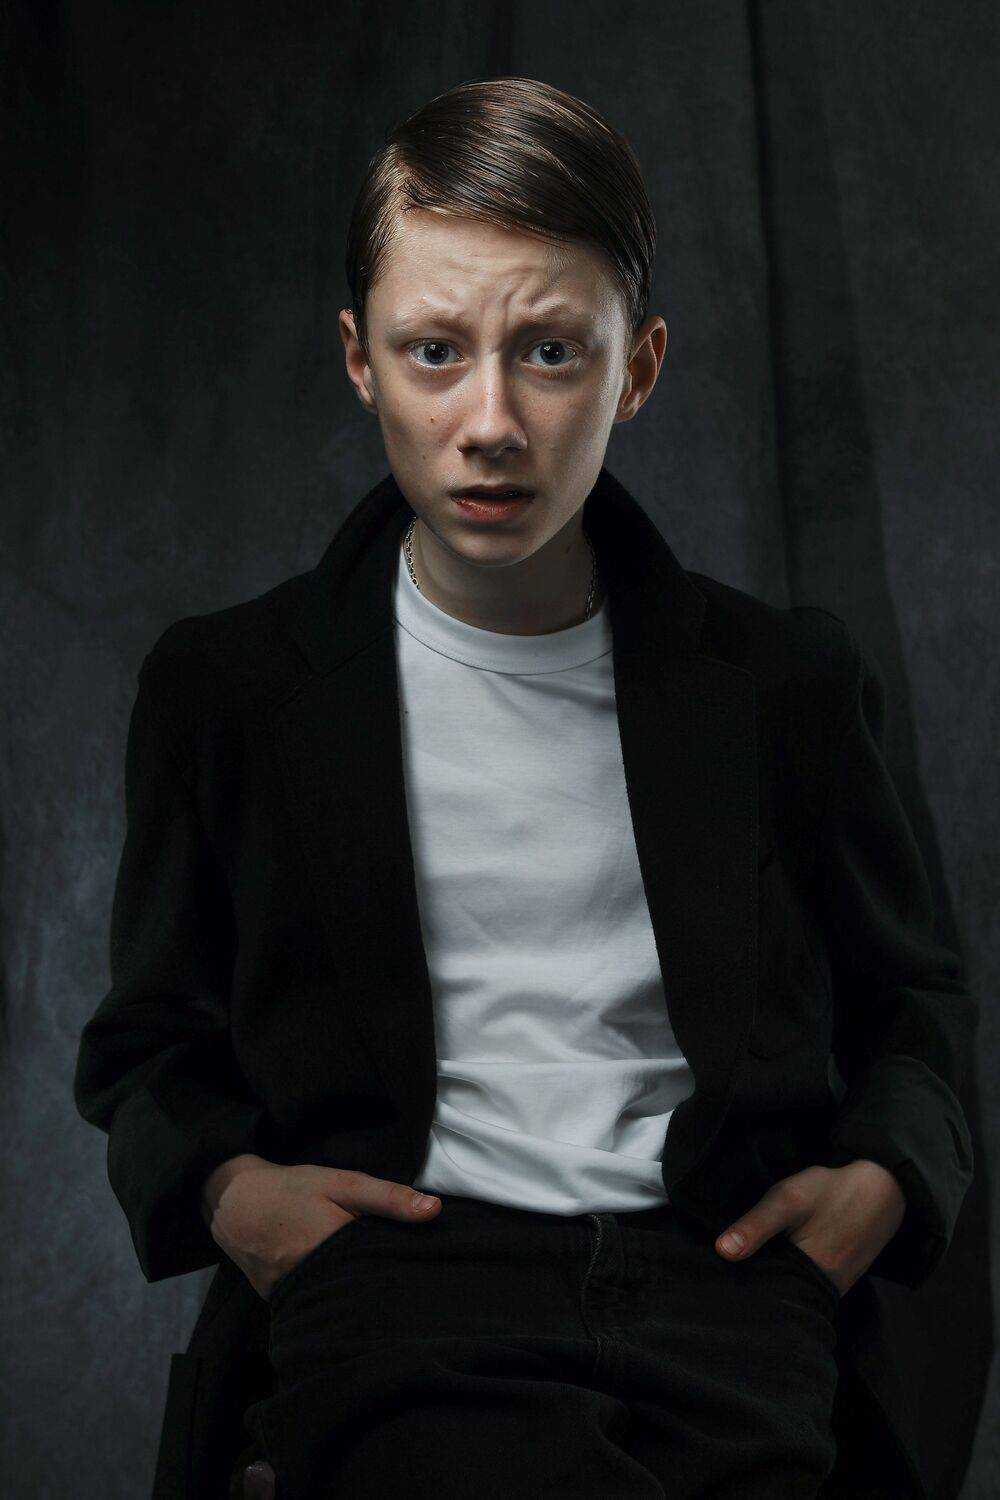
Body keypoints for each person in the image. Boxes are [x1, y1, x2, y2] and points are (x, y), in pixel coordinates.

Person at [73, 77, 975, 1500]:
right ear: (360, 360)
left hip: (727, 1287)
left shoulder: (782, 684)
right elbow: (148, 1042)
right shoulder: (230, 690)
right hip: (400, 1282)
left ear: (639, 368)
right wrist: (234, 1196)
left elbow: (914, 1000)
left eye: (550, 351)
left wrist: (881, 1186)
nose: (489, 420)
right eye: (435, 351)